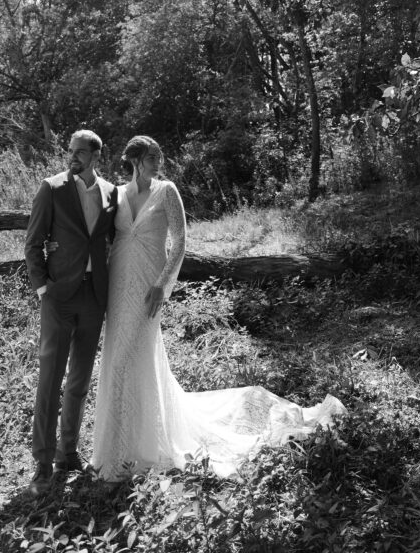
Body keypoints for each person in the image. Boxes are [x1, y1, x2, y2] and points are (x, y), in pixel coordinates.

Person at [91, 135, 345, 481]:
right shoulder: (117, 195)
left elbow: (180, 243)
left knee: (136, 355)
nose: (159, 161)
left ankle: (140, 448)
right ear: (136, 159)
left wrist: (161, 285)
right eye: (153, 156)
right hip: (120, 283)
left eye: (160, 155)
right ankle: (115, 449)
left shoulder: (167, 192)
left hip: (150, 283)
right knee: (117, 358)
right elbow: (105, 240)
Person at [24, 129, 117, 496]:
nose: (73, 157)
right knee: (50, 379)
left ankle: (68, 452)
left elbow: (112, 239)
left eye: (81, 152)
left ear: (96, 156)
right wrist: (44, 287)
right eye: (71, 151)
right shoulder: (52, 187)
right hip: (59, 297)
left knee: (79, 380)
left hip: (94, 297)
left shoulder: (112, 193)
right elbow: (32, 243)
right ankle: (43, 464)